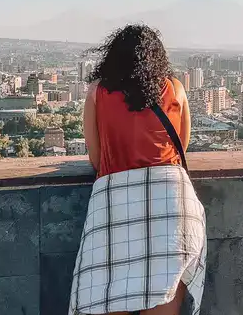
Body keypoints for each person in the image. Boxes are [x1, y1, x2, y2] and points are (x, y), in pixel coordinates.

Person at [68, 24, 206, 315]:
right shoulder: (175, 90)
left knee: (104, 298)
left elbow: (96, 157)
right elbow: (181, 148)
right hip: (173, 207)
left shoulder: (98, 92)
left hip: (114, 208)